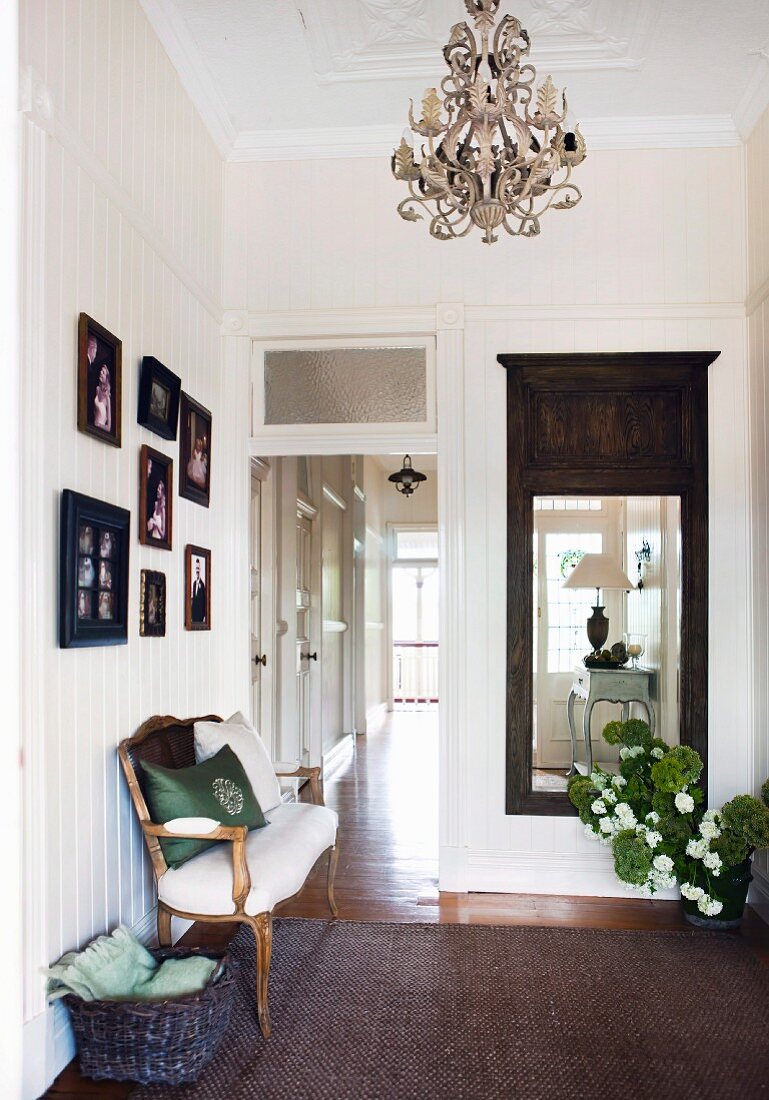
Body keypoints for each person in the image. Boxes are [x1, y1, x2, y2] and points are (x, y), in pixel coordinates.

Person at [93, 363, 112, 432]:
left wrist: (99, 425)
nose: (100, 372)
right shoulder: (97, 389)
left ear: (106, 379)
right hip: (92, 429)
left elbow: (108, 428)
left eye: (103, 372)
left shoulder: (107, 398)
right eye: (101, 371)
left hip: (100, 431)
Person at [191, 558, 206, 623]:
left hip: (200, 616)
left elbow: (204, 601)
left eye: (198, 568)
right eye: (196, 568)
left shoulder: (202, 584)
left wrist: (204, 616)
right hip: (194, 615)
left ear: (200, 569)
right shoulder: (194, 583)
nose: (197, 571)